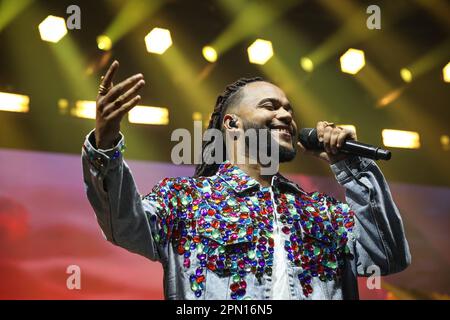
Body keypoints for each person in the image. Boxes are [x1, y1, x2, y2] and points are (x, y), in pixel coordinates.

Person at [82, 60, 411, 300]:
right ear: (232, 124)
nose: (286, 116)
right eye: (271, 107)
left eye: (289, 110)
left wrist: (352, 166)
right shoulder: (185, 200)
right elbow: (122, 226)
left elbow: (387, 256)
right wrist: (106, 145)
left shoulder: (323, 213)